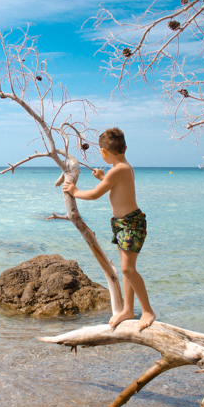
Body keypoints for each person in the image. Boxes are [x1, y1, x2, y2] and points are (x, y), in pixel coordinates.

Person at [63, 127, 156, 331]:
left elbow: (95, 195)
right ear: (125, 148)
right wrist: (103, 178)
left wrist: (75, 191)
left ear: (104, 152)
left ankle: (147, 310)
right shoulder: (123, 168)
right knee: (127, 270)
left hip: (131, 224)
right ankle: (128, 310)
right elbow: (113, 184)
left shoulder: (119, 170)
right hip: (123, 224)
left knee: (127, 269)